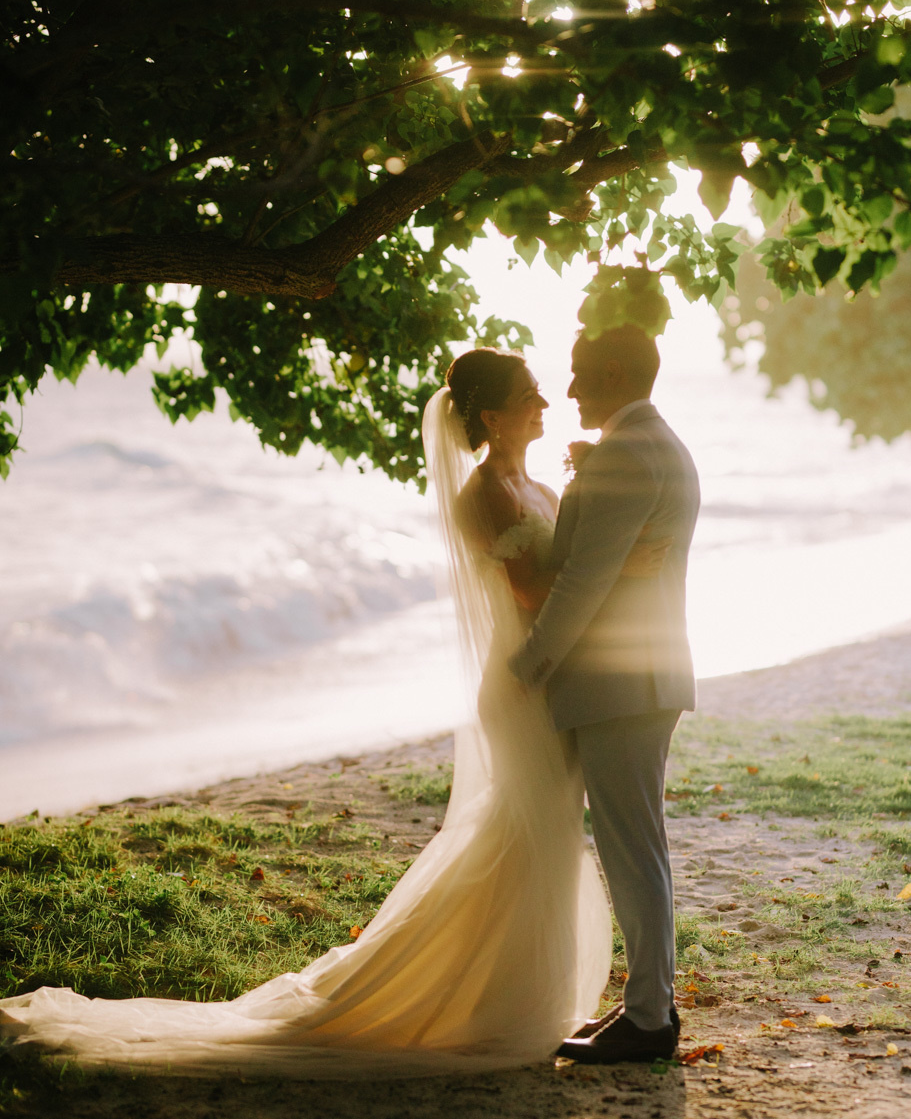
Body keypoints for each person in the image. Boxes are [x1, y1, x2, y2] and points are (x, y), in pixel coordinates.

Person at [0, 347, 663, 1078]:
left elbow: (563, 566)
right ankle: (489, 1000)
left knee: (538, 838)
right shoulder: (486, 495)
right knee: (524, 835)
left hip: (548, 685)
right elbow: (535, 593)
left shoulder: (535, 486)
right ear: (491, 415)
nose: (545, 402)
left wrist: (590, 518)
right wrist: (623, 559)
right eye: (530, 393)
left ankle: (509, 991)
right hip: (518, 690)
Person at [509, 325, 701, 1064]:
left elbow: (585, 578)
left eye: (581, 374)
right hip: (643, 675)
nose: (568, 391)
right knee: (637, 846)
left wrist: (531, 663)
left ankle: (649, 1018)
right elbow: (607, 564)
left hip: (622, 681)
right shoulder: (655, 444)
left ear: (615, 371)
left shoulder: (627, 451)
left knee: (632, 851)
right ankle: (645, 1007)